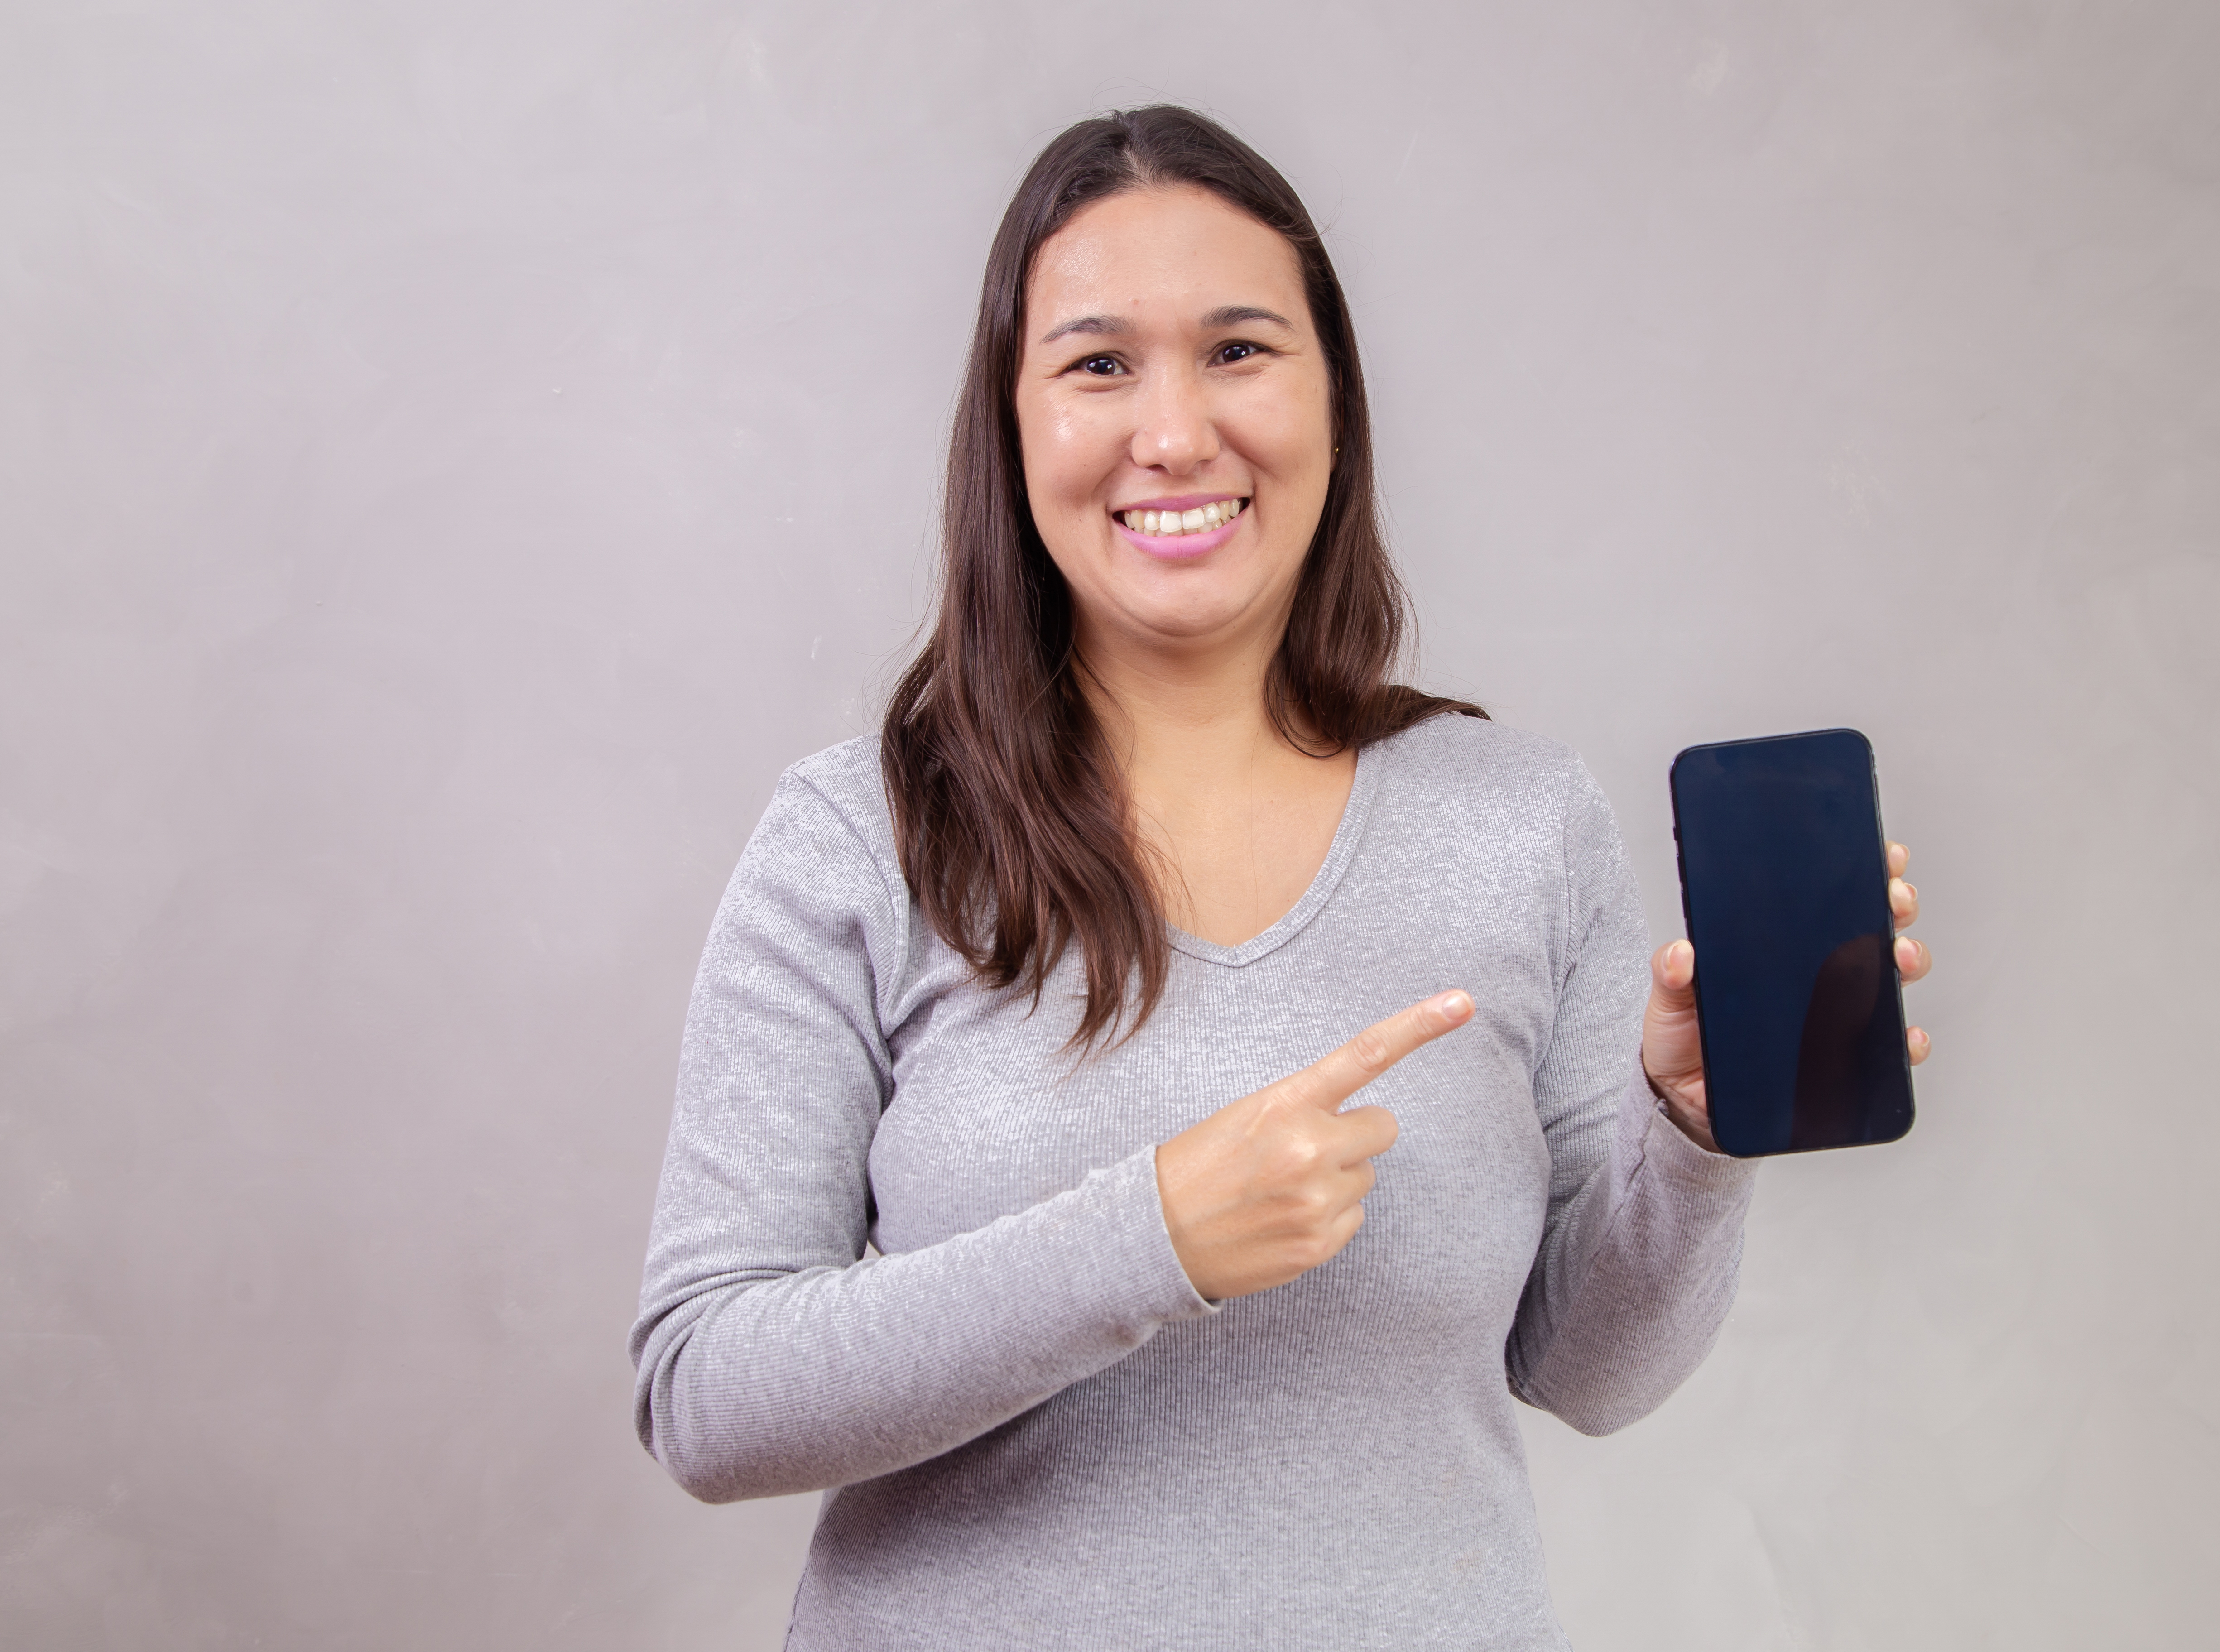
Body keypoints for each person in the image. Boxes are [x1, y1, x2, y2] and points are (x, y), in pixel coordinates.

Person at [630, 104, 1931, 1649]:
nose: (1175, 434)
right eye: (1098, 364)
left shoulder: (1521, 822)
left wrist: (1697, 1141)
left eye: (1239, 350)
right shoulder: (863, 837)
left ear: (1333, 400)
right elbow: (705, 1393)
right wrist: (1150, 1239)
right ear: (1012, 421)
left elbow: (1588, 1370)